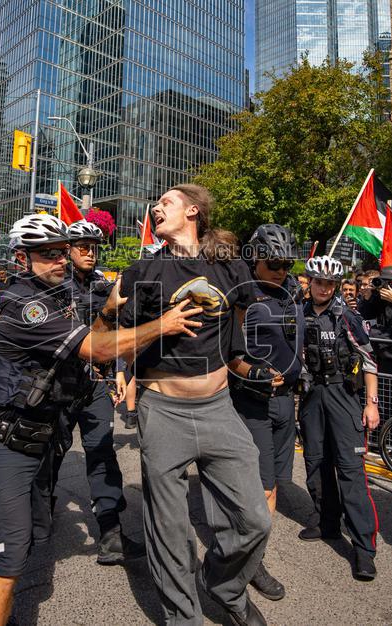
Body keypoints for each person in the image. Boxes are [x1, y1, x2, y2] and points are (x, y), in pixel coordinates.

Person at [0, 214, 202, 625]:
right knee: (4, 566)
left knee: (27, 546)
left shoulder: (56, 296)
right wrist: (161, 326)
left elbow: (87, 340)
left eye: (63, 251)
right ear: (22, 257)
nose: (61, 260)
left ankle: (105, 529)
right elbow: (96, 349)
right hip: (8, 446)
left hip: (40, 436)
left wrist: (109, 311)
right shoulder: (26, 306)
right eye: (49, 254)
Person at [101, 184, 271, 626]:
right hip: (163, 412)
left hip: (218, 409)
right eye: (155, 203)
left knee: (254, 520)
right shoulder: (142, 268)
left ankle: (225, 587)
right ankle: (183, 618)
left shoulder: (228, 265)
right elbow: (118, 337)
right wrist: (151, 334)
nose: (156, 207)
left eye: (167, 202)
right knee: (171, 531)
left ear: (193, 211)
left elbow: (253, 307)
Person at [47, 220, 140, 565]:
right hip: (58, 387)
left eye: (94, 246)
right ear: (67, 249)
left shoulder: (103, 284)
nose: (90, 252)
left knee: (101, 453)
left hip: (95, 385)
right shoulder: (53, 286)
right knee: (52, 452)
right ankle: (40, 514)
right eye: (82, 246)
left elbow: (114, 329)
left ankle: (111, 532)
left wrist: (117, 370)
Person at [227, 224, 304, 602]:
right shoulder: (242, 295)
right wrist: (251, 373)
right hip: (250, 403)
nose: (280, 269)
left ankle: (250, 549)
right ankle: (252, 563)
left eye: (287, 263)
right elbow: (230, 354)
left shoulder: (293, 292)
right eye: (273, 262)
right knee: (265, 489)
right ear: (255, 257)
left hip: (285, 403)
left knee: (276, 483)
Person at [296, 255, 381, 582]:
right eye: (318, 282)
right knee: (316, 462)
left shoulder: (347, 316)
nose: (323, 288)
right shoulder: (299, 314)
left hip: (343, 396)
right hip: (311, 397)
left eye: (329, 283)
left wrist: (371, 404)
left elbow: (370, 361)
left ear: (335, 286)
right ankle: (327, 522)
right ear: (311, 282)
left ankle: (364, 548)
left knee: (350, 470)